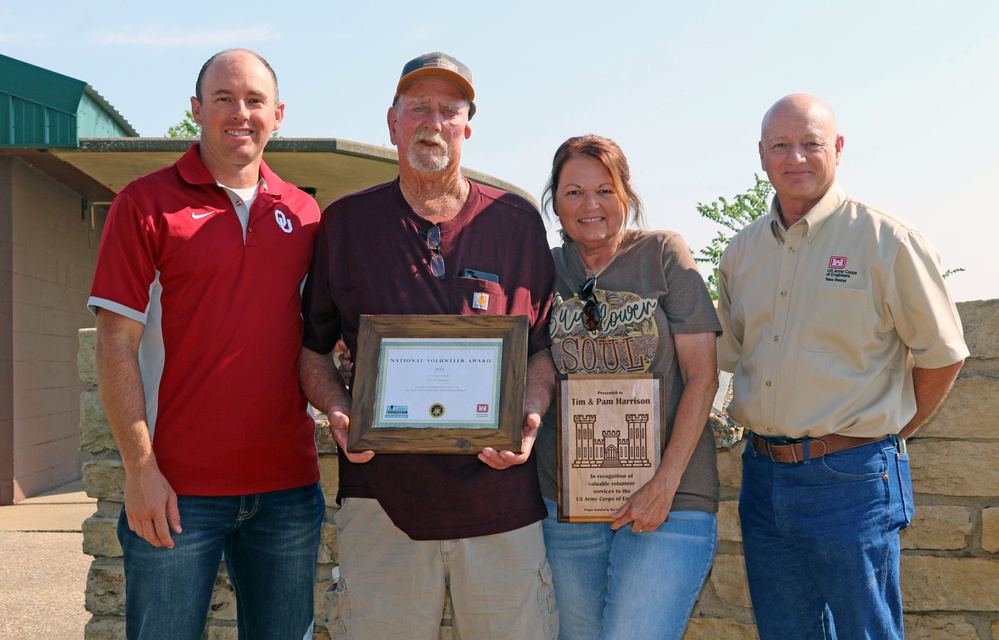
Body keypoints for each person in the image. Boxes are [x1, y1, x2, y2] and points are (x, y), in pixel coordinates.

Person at [299, 52, 559, 639]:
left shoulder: (516, 222)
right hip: (380, 505)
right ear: (392, 122)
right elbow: (314, 351)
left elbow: (540, 348)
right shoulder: (344, 224)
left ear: (468, 124)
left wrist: (530, 417)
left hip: (502, 508)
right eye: (418, 108)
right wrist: (339, 412)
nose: (432, 122)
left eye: (448, 110)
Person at [89, 49, 324, 640]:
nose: (238, 113)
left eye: (254, 100)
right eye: (223, 98)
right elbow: (115, 344)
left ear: (279, 115)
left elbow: (318, 338)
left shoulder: (304, 212)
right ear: (196, 109)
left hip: (288, 492)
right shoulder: (144, 204)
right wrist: (139, 469)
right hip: (175, 491)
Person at [716, 93, 968, 640]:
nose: (796, 158)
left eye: (812, 143)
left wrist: (885, 437)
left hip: (852, 483)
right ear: (761, 155)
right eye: (781, 145)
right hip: (762, 478)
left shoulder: (887, 241)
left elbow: (944, 355)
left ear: (839, 149)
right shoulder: (740, 253)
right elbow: (728, 356)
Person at [535, 135, 721, 640]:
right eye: (573, 192)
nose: (590, 205)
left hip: (669, 501)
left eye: (604, 189)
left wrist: (663, 485)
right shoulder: (545, 268)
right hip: (566, 504)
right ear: (555, 201)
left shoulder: (663, 254)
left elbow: (703, 376)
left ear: (626, 195)